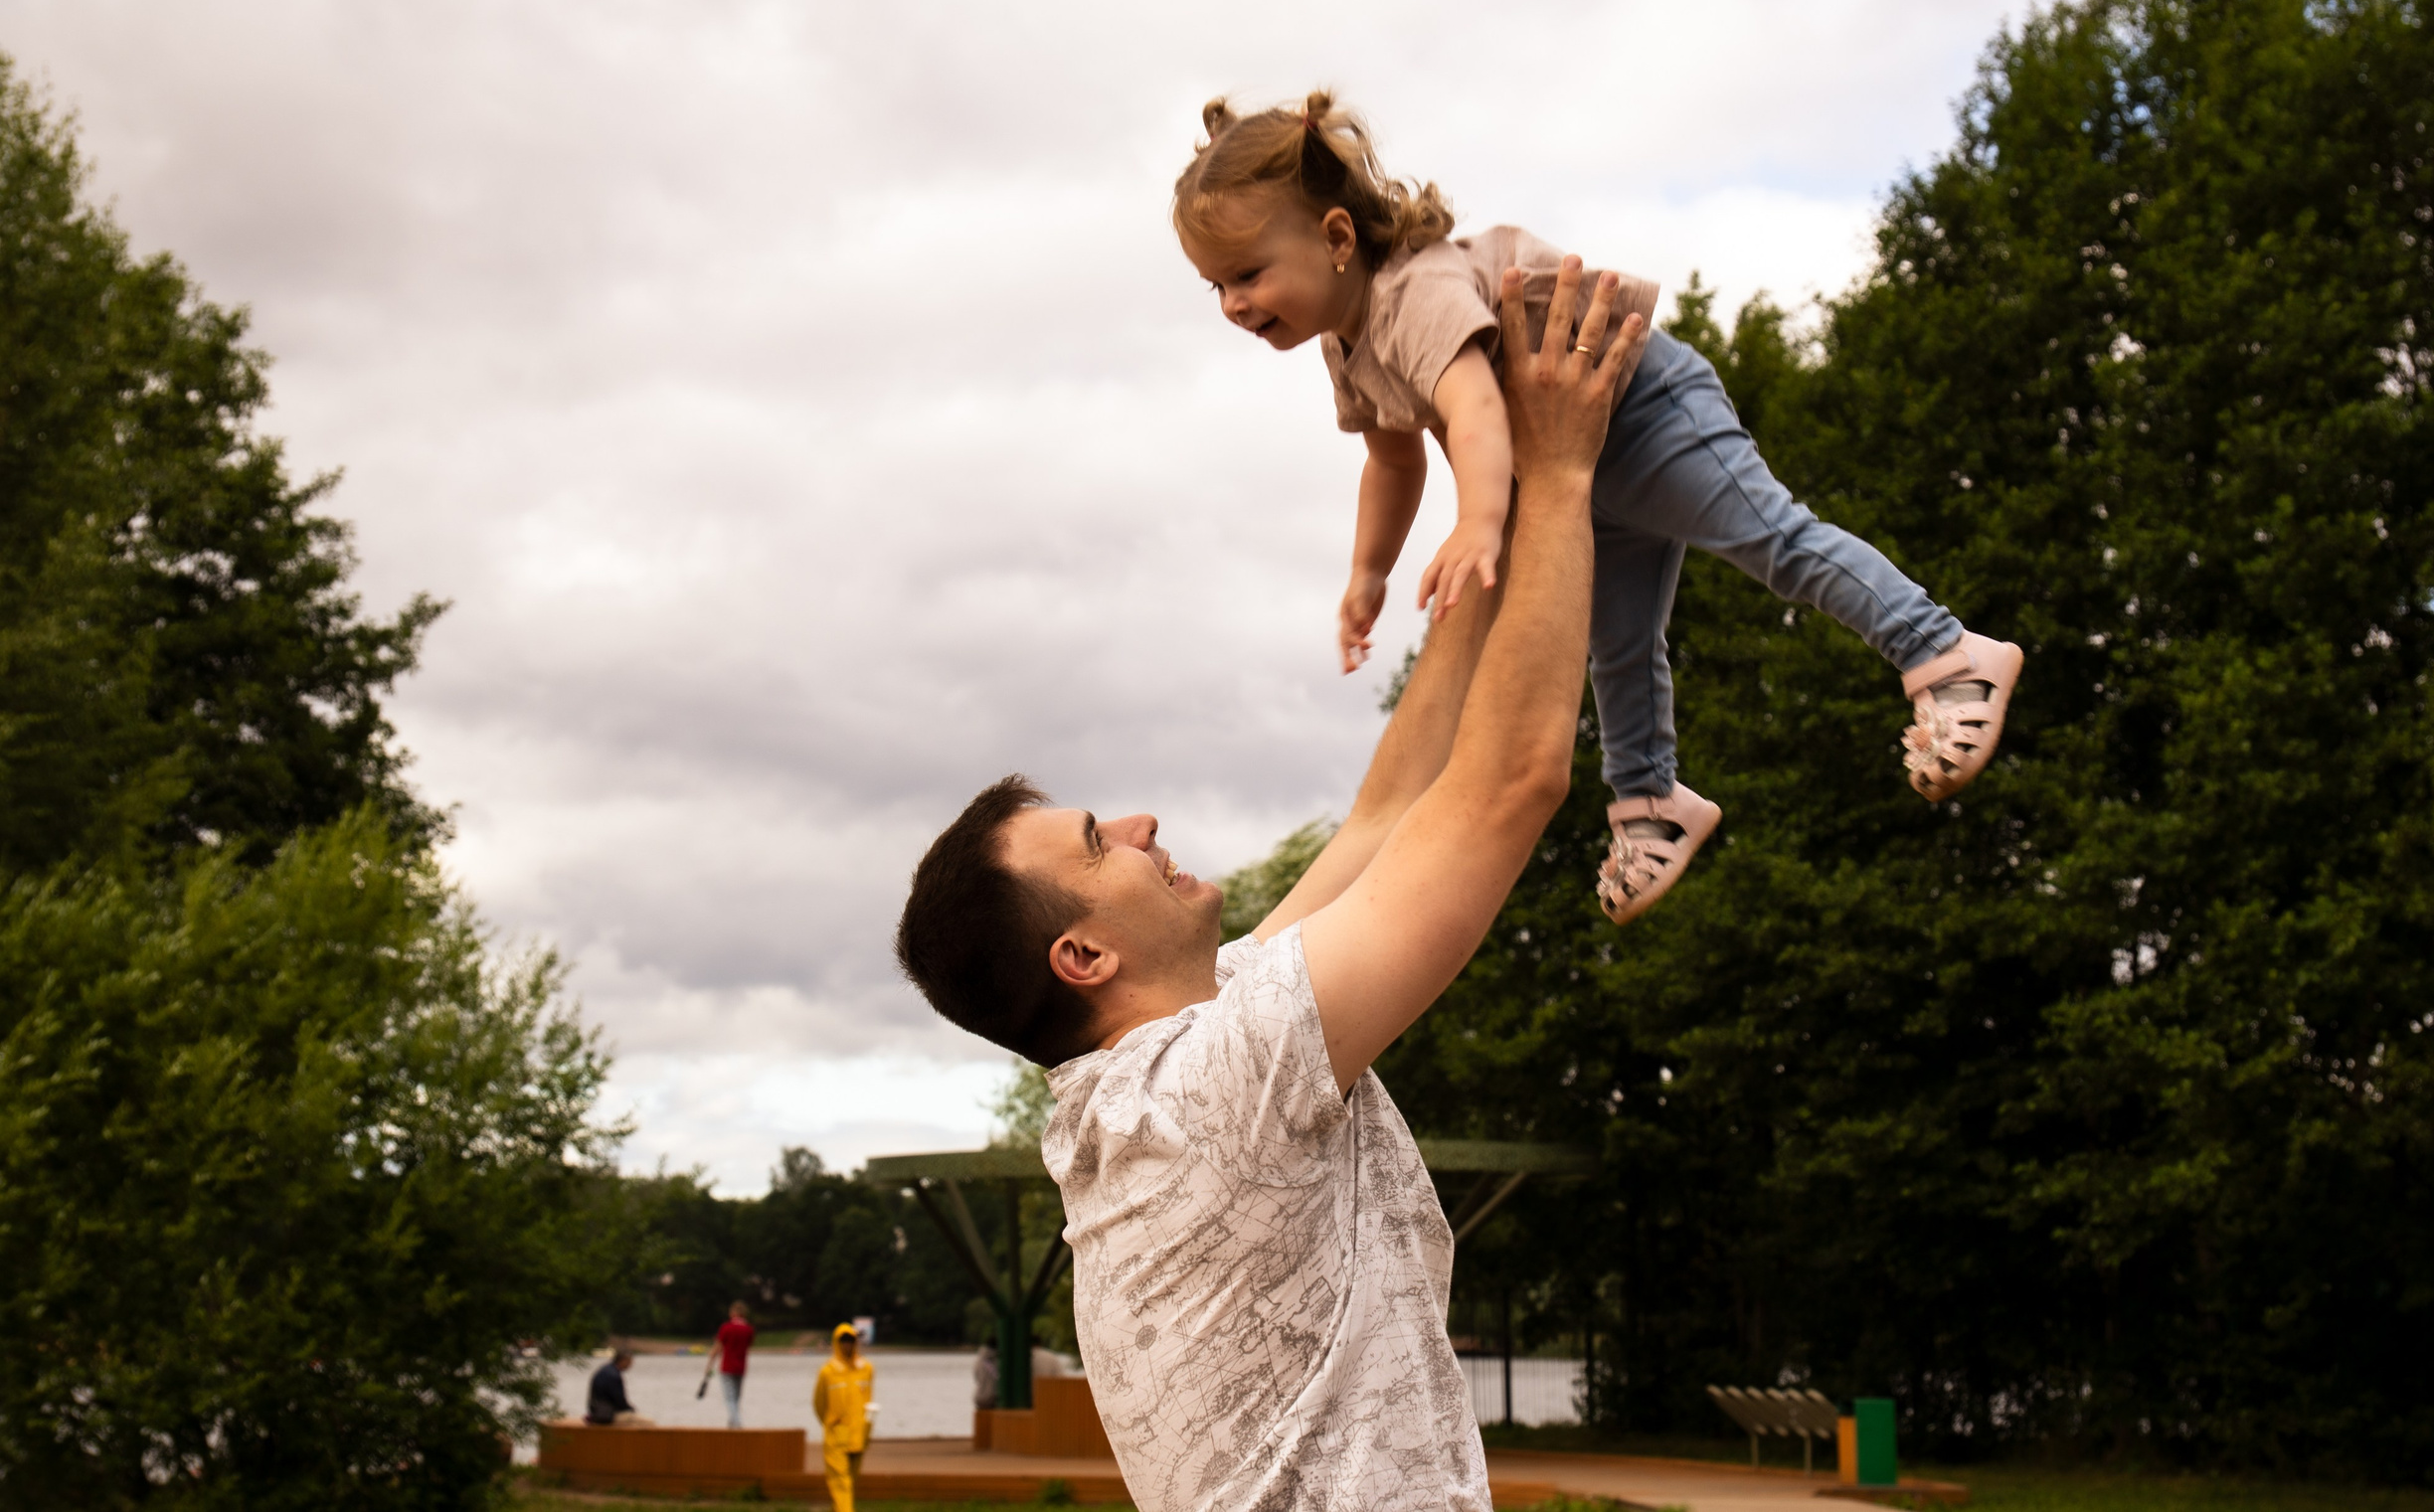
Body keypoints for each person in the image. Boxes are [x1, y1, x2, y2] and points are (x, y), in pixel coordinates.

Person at [898, 263, 1631, 1510]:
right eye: (1097, 841)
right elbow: (1510, 784)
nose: (1139, 823)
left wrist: (1481, 509)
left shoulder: (1164, 1075)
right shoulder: (1211, 1090)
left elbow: (1392, 813)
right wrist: (1559, 472)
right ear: (1082, 956)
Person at [1170, 90, 2024, 924]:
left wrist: (1479, 522)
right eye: (1216, 287)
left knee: (1774, 539)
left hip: (1644, 411)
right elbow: (1392, 459)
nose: (1236, 303)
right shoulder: (1350, 347)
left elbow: (1470, 409)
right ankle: (1651, 798)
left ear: (1336, 237)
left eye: (1248, 274)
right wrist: (1368, 571)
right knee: (1616, 640)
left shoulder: (1413, 294)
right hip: (1570, 464)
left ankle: (1946, 652)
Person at [810, 1322, 874, 1512]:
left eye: (851, 1340)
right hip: (836, 1435)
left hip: (858, 1434)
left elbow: (868, 1400)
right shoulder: (827, 1372)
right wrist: (830, 1422)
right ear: (836, 1342)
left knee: (849, 1483)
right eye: (843, 1341)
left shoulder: (866, 1369)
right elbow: (818, 1403)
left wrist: (866, 1427)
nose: (847, 1345)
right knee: (841, 1483)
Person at [703, 1300, 755, 1428]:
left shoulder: (726, 1328)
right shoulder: (749, 1330)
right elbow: (748, 1346)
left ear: (732, 1313)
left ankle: (737, 1424)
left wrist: (709, 1366)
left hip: (727, 1367)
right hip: (741, 1368)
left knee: (729, 1399)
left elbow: (717, 1348)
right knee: (736, 1399)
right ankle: (732, 1426)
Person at [585, 1347, 653, 1428]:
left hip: (597, 1412)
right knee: (649, 1422)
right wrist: (631, 1410)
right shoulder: (614, 1376)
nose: (631, 1364)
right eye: (630, 1361)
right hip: (607, 1416)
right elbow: (620, 1400)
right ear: (624, 1360)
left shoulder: (605, 1370)